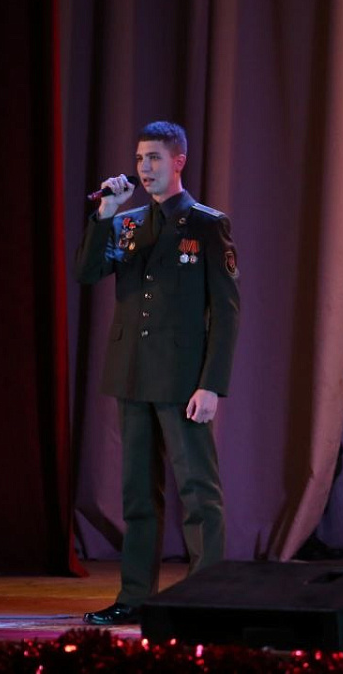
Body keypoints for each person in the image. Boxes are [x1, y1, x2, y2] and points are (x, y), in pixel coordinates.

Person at [75, 121, 240, 625]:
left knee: (198, 494)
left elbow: (227, 311)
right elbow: (86, 272)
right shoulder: (126, 224)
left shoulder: (206, 224)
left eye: (154, 158)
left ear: (178, 162)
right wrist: (104, 214)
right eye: (139, 159)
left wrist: (211, 384)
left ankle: (205, 600)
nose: (144, 168)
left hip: (182, 379)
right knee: (137, 496)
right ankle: (134, 596)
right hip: (132, 375)